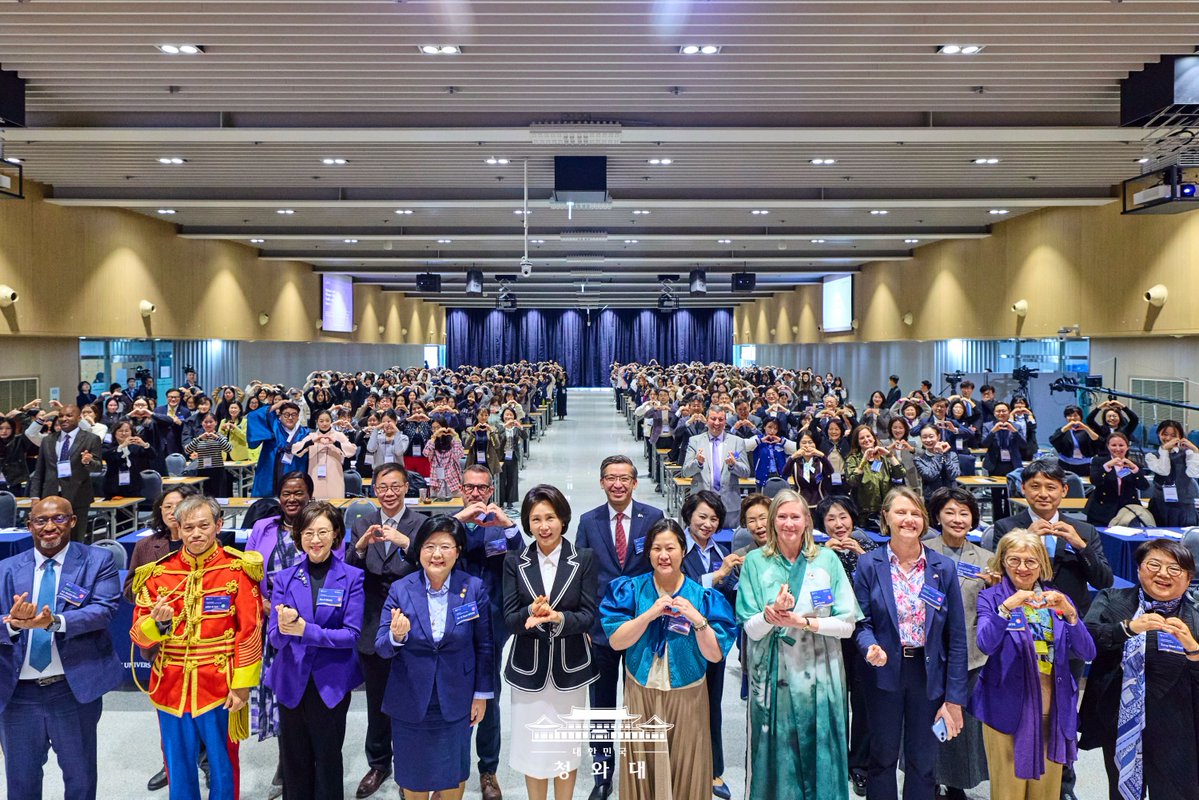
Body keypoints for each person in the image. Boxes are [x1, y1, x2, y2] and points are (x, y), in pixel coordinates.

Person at [129, 495, 264, 800]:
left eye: (204, 525)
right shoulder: (158, 574)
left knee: (223, 764)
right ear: (178, 529)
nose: (196, 533)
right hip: (170, 685)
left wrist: (242, 686)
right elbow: (138, 635)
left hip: (219, 686)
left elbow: (251, 632)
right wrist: (158, 625)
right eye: (188, 527)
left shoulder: (238, 570)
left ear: (219, 525)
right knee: (177, 765)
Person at [599, 518, 737, 800]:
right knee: (643, 769)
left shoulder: (703, 597)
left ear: (683, 551)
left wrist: (697, 619)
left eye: (671, 548)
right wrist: (649, 614)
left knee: (687, 768)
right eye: (657, 548)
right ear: (648, 552)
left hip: (688, 696)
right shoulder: (631, 590)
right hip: (641, 693)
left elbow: (714, 654)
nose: (664, 555)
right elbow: (616, 641)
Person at [736, 490, 861, 800]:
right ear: (772, 520)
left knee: (823, 750)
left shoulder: (827, 560)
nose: (789, 523)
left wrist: (805, 622)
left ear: (807, 520)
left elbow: (847, 626)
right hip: (772, 674)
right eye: (782, 516)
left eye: (796, 516)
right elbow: (750, 630)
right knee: (777, 757)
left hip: (822, 672)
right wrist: (770, 615)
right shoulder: (754, 562)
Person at [0, 497, 124, 800]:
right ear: (29, 526)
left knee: (80, 779)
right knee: (21, 782)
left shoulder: (97, 560)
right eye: (40, 521)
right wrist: (15, 624)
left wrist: (53, 621)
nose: (49, 527)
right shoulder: (5, 568)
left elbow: (104, 610)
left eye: (58, 519)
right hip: (18, 695)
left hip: (70, 690)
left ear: (72, 521)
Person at [852, 487, 969, 800]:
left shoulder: (942, 568)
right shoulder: (868, 565)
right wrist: (869, 646)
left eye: (916, 513)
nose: (909, 519)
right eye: (901, 512)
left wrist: (954, 698)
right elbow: (860, 623)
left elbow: (956, 637)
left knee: (923, 763)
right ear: (886, 518)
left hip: (927, 677)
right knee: (882, 758)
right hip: (883, 673)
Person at [376, 515, 494, 800]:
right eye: (429, 546)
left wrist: (481, 695)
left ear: (458, 551)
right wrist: (397, 636)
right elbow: (381, 646)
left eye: (446, 546)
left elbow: (485, 646)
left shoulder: (473, 589)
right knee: (414, 782)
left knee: (452, 779)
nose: (437, 554)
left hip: (456, 699)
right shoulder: (401, 589)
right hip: (411, 699)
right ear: (419, 551)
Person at [973, 530, 1095, 800]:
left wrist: (1071, 613)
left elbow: (1087, 651)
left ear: (1042, 565)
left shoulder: (1056, 599)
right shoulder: (992, 598)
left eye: (1031, 561)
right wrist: (1006, 608)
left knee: (1046, 794)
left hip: (1054, 710)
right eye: (1014, 560)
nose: (1023, 568)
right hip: (1006, 710)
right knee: (1009, 793)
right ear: (1003, 561)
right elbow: (985, 644)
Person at [1079, 539, 1199, 800]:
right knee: (1121, 792)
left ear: (1189, 578)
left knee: (1176, 792)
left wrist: (1193, 649)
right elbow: (1084, 639)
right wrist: (1128, 629)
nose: (1163, 574)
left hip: (1177, 725)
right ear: (1139, 569)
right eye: (1154, 564)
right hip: (1119, 718)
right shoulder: (1112, 599)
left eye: (1174, 569)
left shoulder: (1195, 615)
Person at [575, 455, 665, 800]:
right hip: (601, 628)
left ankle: (642, 766)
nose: (617, 484)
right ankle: (602, 773)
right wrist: (583, 621)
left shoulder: (653, 517)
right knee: (601, 705)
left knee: (643, 699)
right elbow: (580, 575)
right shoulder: (588, 521)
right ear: (601, 482)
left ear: (634, 482)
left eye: (624, 478)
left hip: (643, 625)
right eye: (611, 478)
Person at [502, 485, 598, 800]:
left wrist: (559, 619)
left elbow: (588, 615)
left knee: (564, 747)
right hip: (528, 668)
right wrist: (530, 611)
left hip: (570, 668)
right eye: (536, 519)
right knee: (533, 746)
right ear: (527, 524)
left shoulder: (583, 558)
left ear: (563, 520)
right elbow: (509, 618)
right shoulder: (515, 560)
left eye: (550, 518)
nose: (544, 526)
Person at [266, 501, 365, 800]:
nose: (315, 539)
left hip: (330, 682)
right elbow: (274, 638)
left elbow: (351, 636)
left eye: (323, 531)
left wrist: (305, 631)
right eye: (308, 532)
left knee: (327, 756)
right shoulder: (284, 579)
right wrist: (284, 628)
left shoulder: (352, 577)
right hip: (291, 680)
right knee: (294, 759)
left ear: (336, 535)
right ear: (299, 537)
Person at [346, 463, 423, 799]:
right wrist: (361, 546)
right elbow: (347, 572)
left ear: (406, 487)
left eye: (395, 486)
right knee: (377, 701)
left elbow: (437, 565)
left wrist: (408, 543)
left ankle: (411, 765)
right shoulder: (363, 522)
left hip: (414, 623)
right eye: (382, 487)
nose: (389, 493)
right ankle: (378, 763)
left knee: (412, 700)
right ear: (373, 489)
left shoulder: (421, 524)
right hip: (372, 622)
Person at [451, 464, 522, 800]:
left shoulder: (500, 526)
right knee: (453, 696)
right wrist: (460, 520)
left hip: (491, 620)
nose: (476, 493)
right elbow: (427, 546)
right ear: (461, 489)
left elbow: (525, 561)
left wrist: (508, 528)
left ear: (491, 491)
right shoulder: (452, 524)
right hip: (452, 623)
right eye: (470, 487)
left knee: (488, 694)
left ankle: (488, 770)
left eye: (482, 488)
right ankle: (453, 764)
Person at [924, 488, 995, 800]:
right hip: (925, 656)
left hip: (970, 656)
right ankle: (925, 779)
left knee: (961, 726)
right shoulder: (919, 551)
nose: (957, 519)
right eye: (950, 512)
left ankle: (955, 784)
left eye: (964, 513)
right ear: (938, 516)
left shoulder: (986, 560)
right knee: (923, 720)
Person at [244, 470, 312, 795]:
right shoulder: (262, 527)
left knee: (307, 698)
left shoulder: (318, 525)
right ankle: (286, 764)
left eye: (299, 493)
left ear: (309, 495)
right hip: (271, 624)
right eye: (286, 493)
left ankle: (303, 763)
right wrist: (264, 604)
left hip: (308, 624)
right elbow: (246, 574)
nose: (292, 499)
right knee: (280, 697)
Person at [987, 459, 1113, 618]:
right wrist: (1025, 538)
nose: (1043, 494)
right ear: (1023, 488)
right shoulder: (1005, 528)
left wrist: (1081, 546)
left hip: (1073, 617)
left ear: (1064, 490)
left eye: (1051, 487)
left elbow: (1104, 582)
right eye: (1035, 486)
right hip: (1022, 616)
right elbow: (996, 575)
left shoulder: (1084, 530)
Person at [679, 490, 740, 799]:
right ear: (689, 515)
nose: (707, 524)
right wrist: (717, 575)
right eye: (702, 516)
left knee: (712, 705)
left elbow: (728, 596)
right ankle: (682, 764)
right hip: (680, 640)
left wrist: (730, 577)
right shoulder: (676, 549)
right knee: (682, 705)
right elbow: (680, 588)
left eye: (714, 519)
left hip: (714, 641)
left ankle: (714, 769)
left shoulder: (722, 551)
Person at [817, 495, 877, 797]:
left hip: (864, 633)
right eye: (830, 519)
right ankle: (835, 758)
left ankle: (860, 764)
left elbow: (882, 590)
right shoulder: (815, 552)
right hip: (830, 633)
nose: (838, 524)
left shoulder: (870, 548)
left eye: (842, 517)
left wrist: (864, 556)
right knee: (833, 698)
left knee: (864, 701)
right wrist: (820, 559)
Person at [27, 404, 103, 542]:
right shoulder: (48, 440)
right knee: (50, 538)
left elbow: (97, 467)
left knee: (75, 539)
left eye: (69, 415)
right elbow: (39, 471)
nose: (64, 419)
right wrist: (35, 497)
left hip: (77, 496)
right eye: (61, 416)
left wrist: (88, 462)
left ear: (79, 418)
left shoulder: (91, 438)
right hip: (50, 495)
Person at [680, 406, 752, 529]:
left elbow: (746, 472)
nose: (717, 423)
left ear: (725, 421)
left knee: (728, 543)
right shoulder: (695, 441)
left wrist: (733, 465)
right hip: (701, 503)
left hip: (729, 504)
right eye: (713, 419)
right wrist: (698, 463)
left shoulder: (737, 442)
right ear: (707, 420)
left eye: (721, 419)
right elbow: (685, 472)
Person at [844, 424, 905, 531]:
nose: (866, 440)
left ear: (873, 438)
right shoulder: (852, 459)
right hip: (864, 512)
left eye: (868, 436)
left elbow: (900, 474)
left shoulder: (883, 457)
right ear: (857, 442)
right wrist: (863, 461)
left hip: (886, 510)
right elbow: (852, 481)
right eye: (862, 438)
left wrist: (889, 455)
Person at [247, 398, 310, 498]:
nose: (290, 418)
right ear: (279, 416)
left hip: (294, 469)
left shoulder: (305, 433)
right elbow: (253, 416)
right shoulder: (273, 427)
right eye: (286, 414)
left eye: (294, 414)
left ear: (298, 417)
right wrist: (274, 406)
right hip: (270, 468)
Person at [1083, 431, 1150, 527]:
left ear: (1127, 447)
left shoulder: (1135, 465)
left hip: (1127, 511)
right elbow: (1095, 481)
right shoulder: (1099, 462)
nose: (1118, 448)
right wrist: (1107, 466)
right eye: (1114, 445)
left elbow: (1144, 486)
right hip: (1102, 510)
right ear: (1108, 446)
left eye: (1121, 445)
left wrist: (1134, 469)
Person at [292, 409, 358, 499]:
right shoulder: (312, 436)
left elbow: (352, 450)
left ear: (331, 421)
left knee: (335, 503)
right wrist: (311, 442)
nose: (324, 424)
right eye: (321, 421)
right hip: (315, 475)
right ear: (317, 422)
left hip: (335, 476)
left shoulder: (339, 435)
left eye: (327, 421)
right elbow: (295, 449)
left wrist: (336, 443)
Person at [1145, 419, 1199, 527]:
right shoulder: (1152, 456)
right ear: (1158, 434)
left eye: (1173, 435)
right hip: (1161, 505)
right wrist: (1164, 450)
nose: (1168, 438)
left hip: (1184, 505)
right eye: (1164, 434)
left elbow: (1193, 473)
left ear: (1180, 436)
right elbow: (1164, 471)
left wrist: (1195, 451)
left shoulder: (1187, 453)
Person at [101, 419, 157, 500]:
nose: (123, 433)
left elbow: (153, 456)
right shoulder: (108, 447)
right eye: (120, 431)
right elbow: (106, 456)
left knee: (132, 511)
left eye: (127, 431)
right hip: (113, 486)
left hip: (133, 486)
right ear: (115, 433)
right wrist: (122, 446)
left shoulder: (136, 447)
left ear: (131, 433)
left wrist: (144, 445)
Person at [183, 412, 232, 497]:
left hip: (217, 470)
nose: (208, 424)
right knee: (204, 497)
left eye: (211, 422)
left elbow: (228, 449)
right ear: (202, 423)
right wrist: (199, 439)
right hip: (202, 470)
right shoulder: (199, 437)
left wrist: (217, 438)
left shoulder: (220, 436)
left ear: (216, 423)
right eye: (205, 422)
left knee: (218, 497)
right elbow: (187, 450)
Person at [1047, 406, 1101, 477]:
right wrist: (1065, 428)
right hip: (1065, 465)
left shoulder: (1087, 430)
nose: (1072, 418)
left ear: (1080, 417)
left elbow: (1098, 441)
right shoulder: (1062, 430)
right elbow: (1053, 440)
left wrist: (1086, 428)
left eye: (1075, 415)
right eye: (1069, 416)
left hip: (1085, 466)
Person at [913, 424, 960, 505]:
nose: (928, 440)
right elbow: (931, 475)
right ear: (920, 439)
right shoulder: (919, 459)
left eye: (931, 436)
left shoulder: (952, 455)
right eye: (924, 437)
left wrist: (944, 455)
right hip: (932, 500)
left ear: (938, 437)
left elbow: (953, 475)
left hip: (951, 498)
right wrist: (939, 454)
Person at [787, 430, 835, 508]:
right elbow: (785, 474)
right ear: (798, 445)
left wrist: (822, 455)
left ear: (815, 444)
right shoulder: (795, 462)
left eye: (810, 442)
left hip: (820, 503)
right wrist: (793, 456)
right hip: (801, 504)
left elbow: (830, 471)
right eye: (803, 443)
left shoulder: (820, 461)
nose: (807, 446)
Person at [424, 420, 466, 499]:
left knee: (456, 507)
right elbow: (426, 453)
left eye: (438, 428)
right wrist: (434, 436)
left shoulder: (452, 441)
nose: (436, 430)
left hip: (452, 479)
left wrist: (455, 435)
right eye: (433, 428)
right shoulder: (431, 442)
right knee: (437, 508)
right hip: (436, 479)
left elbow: (458, 455)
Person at [152, 388, 191, 457]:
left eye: (176, 397)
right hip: (160, 445)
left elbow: (188, 429)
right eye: (171, 397)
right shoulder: (158, 410)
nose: (173, 399)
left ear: (180, 398)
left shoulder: (185, 411)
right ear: (167, 398)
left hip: (176, 445)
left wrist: (181, 424)